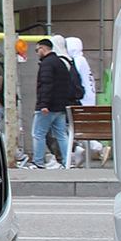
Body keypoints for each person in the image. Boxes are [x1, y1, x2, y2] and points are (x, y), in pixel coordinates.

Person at [32, 34, 85, 168]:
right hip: (60, 107)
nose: (37, 53)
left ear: (44, 49)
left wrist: (43, 104)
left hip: (48, 107)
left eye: (37, 50)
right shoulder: (61, 63)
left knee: (38, 133)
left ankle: (38, 161)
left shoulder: (47, 64)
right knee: (61, 135)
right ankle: (68, 161)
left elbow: (46, 85)